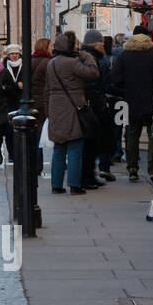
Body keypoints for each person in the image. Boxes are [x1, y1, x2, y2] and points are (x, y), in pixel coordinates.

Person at [45, 32, 100, 195]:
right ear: (68, 46)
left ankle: (56, 185)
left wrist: (48, 109)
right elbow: (92, 73)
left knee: (59, 147)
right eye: (75, 44)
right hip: (73, 106)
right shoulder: (72, 62)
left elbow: (46, 89)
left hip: (55, 106)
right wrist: (86, 54)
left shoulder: (51, 63)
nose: (77, 46)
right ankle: (75, 185)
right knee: (75, 146)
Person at [110, 29, 153, 182]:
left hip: (130, 102)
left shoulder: (124, 56)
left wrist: (125, 90)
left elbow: (115, 79)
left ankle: (132, 167)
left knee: (132, 135)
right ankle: (152, 168)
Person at [79, 30, 114, 187]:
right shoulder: (92, 59)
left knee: (91, 145)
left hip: (91, 106)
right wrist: (100, 105)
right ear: (95, 43)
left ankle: (89, 175)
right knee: (90, 144)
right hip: (93, 107)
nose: (103, 45)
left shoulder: (90, 57)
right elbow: (92, 85)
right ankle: (87, 178)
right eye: (101, 42)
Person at [30, 38, 53, 174]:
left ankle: (33, 164)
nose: (52, 48)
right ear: (45, 47)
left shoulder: (29, 61)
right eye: (50, 45)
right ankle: (38, 165)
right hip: (42, 101)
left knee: (31, 133)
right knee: (39, 132)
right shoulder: (48, 63)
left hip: (29, 101)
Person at [0, 43, 24, 162]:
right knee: (9, 131)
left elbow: (25, 85)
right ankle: (11, 153)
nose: (14, 56)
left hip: (22, 102)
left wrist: (10, 87)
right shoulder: (3, 67)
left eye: (16, 54)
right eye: (12, 54)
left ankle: (20, 152)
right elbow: (2, 86)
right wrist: (16, 86)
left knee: (21, 130)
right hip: (7, 103)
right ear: (8, 56)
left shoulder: (25, 66)